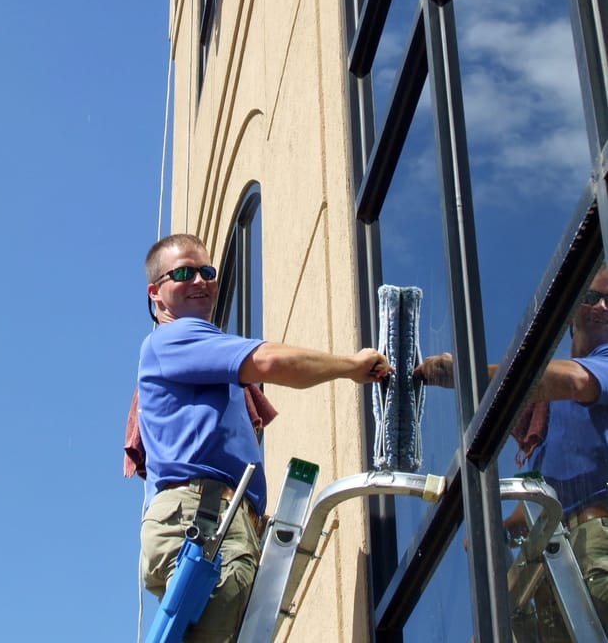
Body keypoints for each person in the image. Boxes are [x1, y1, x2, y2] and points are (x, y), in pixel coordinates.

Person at [137, 232, 392, 642]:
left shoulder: (196, 351)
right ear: (156, 293)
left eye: (207, 271)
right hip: (201, 521)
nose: (201, 281)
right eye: (184, 273)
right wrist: (351, 365)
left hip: (213, 520)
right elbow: (270, 361)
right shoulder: (173, 338)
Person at [414, 264, 608, 638]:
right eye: (591, 297)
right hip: (557, 553)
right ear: (571, 311)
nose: (601, 307)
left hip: (596, 544)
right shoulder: (552, 413)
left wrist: (467, 375)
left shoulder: (593, 369)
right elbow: (547, 496)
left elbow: (571, 379)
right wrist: (496, 531)